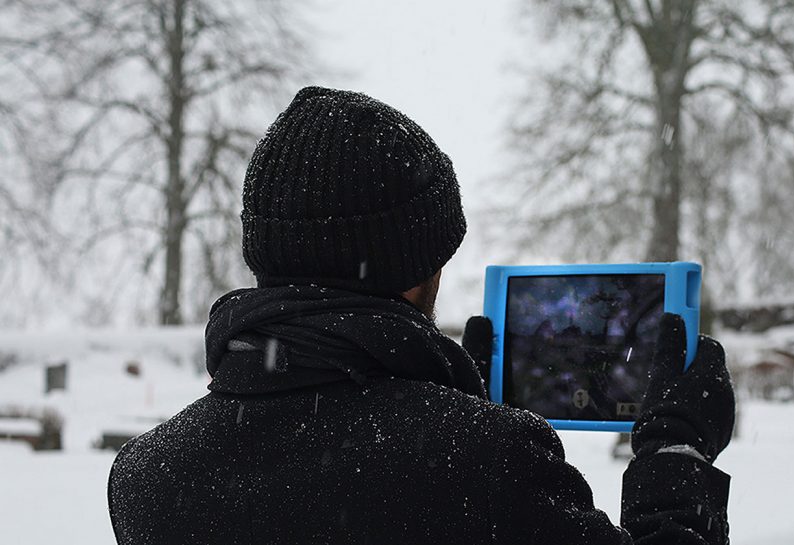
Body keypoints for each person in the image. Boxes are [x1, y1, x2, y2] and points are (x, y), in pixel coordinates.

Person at [107, 87, 736, 544]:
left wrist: (446, 406)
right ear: (415, 271)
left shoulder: (149, 479)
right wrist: (675, 454)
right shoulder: (482, 465)